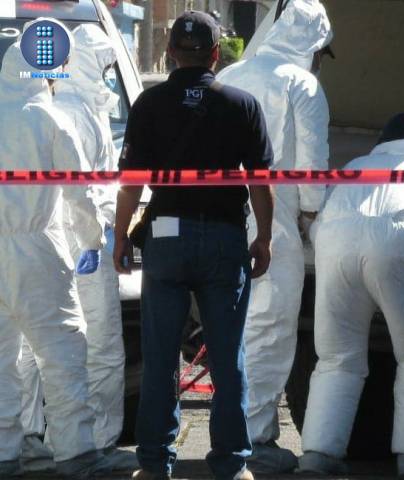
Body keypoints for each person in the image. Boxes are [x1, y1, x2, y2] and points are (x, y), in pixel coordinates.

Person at [112, 11, 274, 480]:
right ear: (216, 54)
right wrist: (263, 237)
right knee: (227, 356)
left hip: (166, 237)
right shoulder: (242, 104)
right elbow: (260, 183)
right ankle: (232, 465)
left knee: (161, 356)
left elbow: (130, 183)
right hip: (224, 239)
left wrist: (121, 236)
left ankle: (153, 464)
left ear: (169, 53)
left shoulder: (149, 104)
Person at [298, 114, 404, 478]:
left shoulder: (354, 167)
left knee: (336, 358)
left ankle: (318, 456)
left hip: (335, 248)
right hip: (401, 248)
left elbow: (320, 224)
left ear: (382, 141)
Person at [215, 0, 331, 472]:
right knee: (269, 326)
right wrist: (312, 214)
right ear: (312, 44)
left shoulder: (230, 75)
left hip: (220, 212)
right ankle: (254, 437)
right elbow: (312, 162)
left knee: (231, 326)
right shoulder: (303, 84)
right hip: (274, 217)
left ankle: (228, 430)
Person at [17, 23, 135, 472]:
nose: (107, 78)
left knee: (37, 343)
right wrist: (98, 238)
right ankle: (96, 441)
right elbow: (88, 190)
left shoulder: (49, 108)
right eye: (104, 67)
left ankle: (29, 436)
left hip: (47, 242)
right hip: (84, 241)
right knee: (98, 343)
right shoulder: (80, 113)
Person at [0, 38, 110, 479]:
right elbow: (79, 190)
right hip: (36, 250)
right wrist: (92, 240)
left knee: (1, 360)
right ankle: (75, 452)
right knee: (62, 351)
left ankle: (4, 454)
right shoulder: (48, 117)